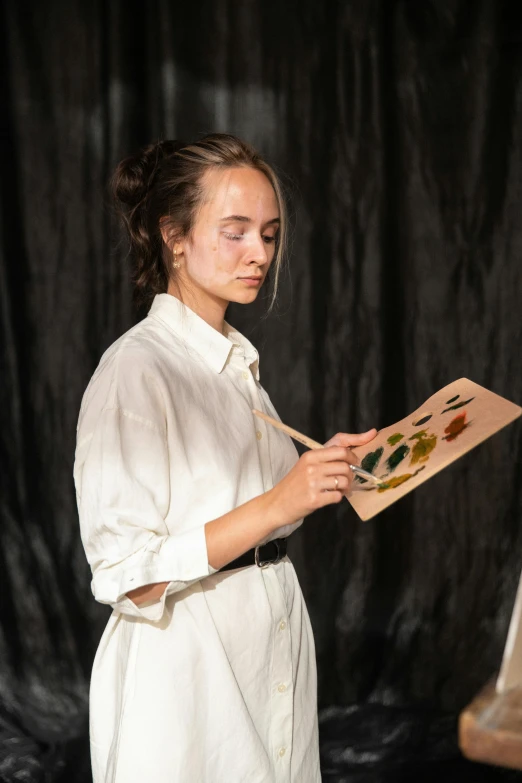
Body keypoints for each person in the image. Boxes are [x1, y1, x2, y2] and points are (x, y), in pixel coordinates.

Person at [73, 133, 377, 783]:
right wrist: (278, 500)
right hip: (188, 669)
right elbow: (127, 572)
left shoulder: (239, 367)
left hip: (270, 649)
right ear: (173, 236)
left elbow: (262, 516)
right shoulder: (137, 369)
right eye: (235, 231)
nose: (260, 253)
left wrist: (321, 474)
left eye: (268, 233)